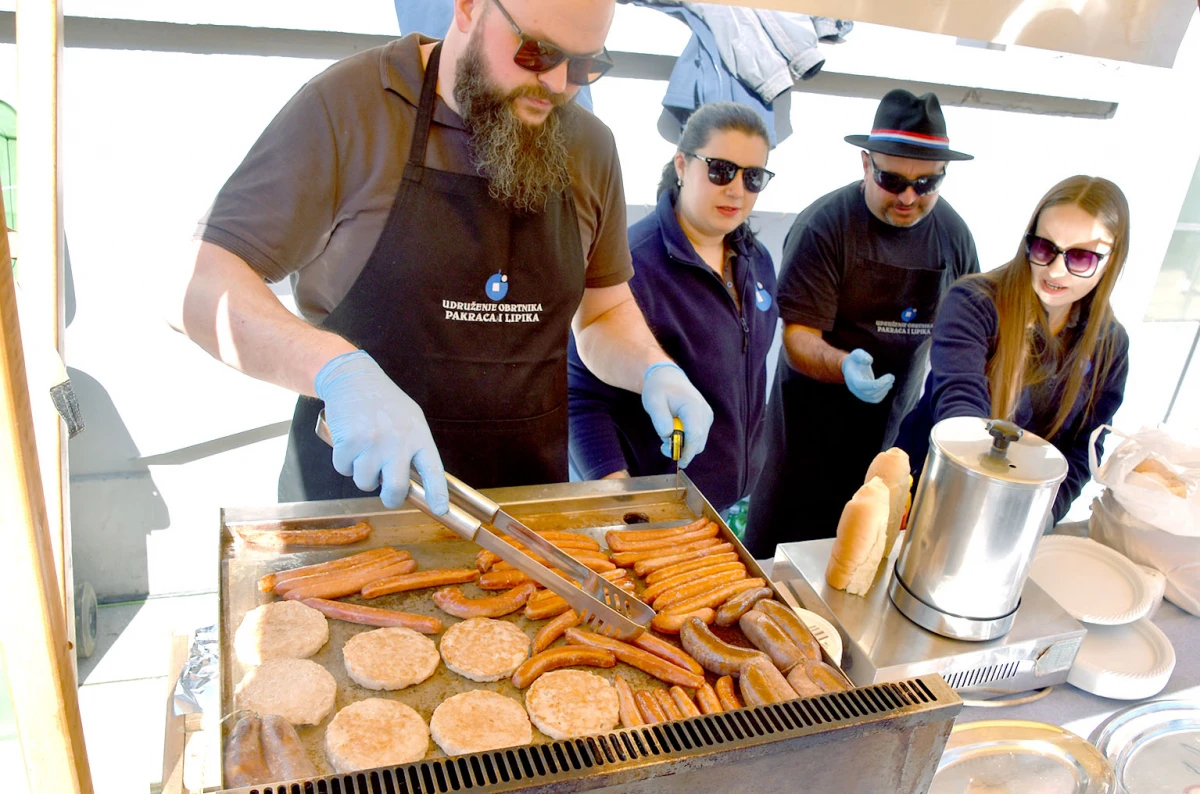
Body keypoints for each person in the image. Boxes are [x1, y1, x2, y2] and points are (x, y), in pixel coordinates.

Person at [166, 0, 713, 515]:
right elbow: (194, 285)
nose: (556, 84)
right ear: (469, 6)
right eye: (537, 52)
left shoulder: (590, 148)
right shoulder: (352, 107)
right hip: (361, 511)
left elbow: (601, 311)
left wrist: (653, 367)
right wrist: (335, 370)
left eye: (584, 65)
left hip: (523, 521)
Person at [744, 89, 979, 558]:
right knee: (780, 564)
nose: (910, 197)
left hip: (891, 439)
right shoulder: (825, 227)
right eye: (893, 180)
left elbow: (971, 328)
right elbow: (798, 338)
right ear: (865, 164)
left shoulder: (953, 235)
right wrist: (843, 364)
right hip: (806, 442)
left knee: (860, 561)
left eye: (927, 184)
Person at [567, 102, 779, 514]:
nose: (736, 189)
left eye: (753, 178)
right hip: (656, 504)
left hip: (731, 500)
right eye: (720, 170)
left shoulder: (758, 260)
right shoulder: (629, 263)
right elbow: (579, 397)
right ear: (682, 165)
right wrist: (619, 498)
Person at [897, 175, 1130, 526]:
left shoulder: (1110, 345)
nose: (1054, 270)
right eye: (1044, 248)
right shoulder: (975, 304)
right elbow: (960, 406)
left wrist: (1042, 518)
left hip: (1017, 519)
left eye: (1080, 257)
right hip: (929, 495)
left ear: (1112, 259)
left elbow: (1085, 446)